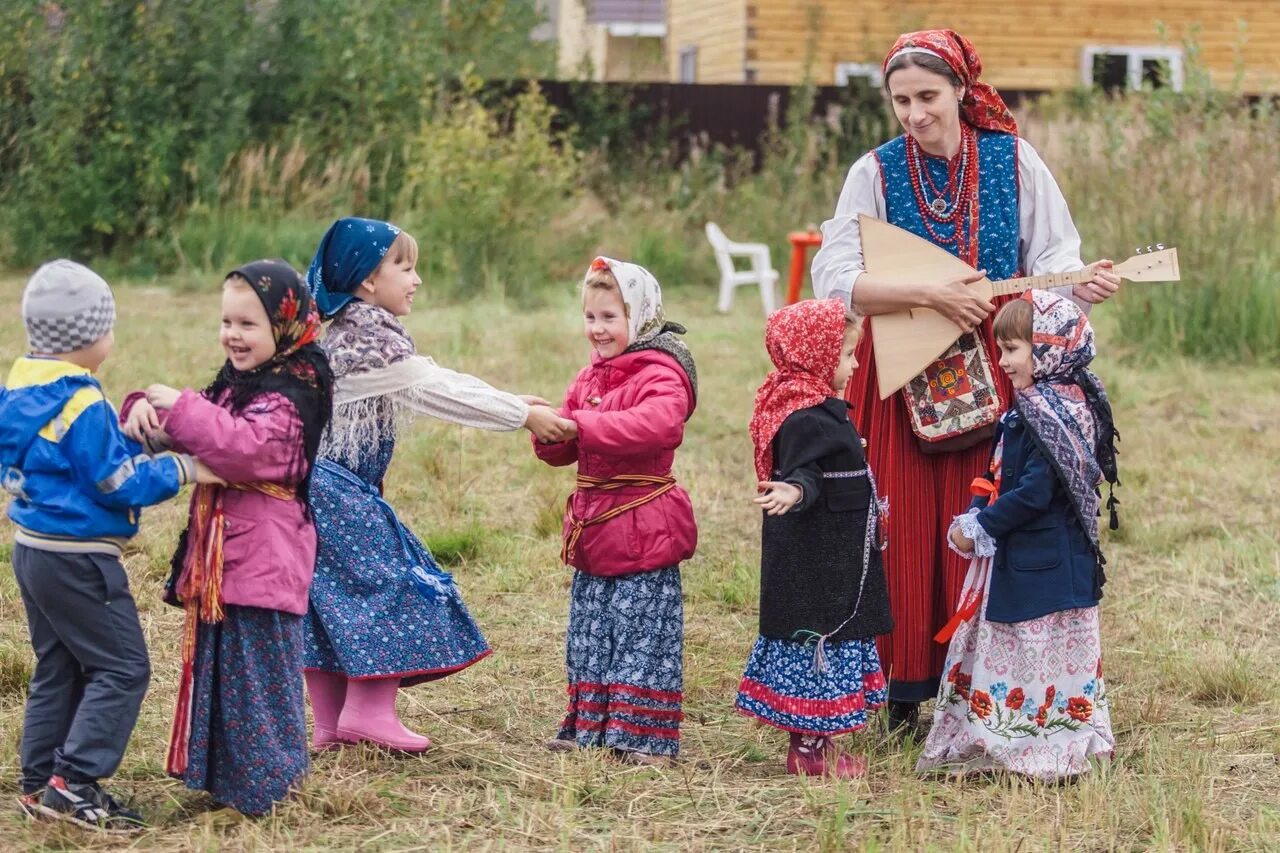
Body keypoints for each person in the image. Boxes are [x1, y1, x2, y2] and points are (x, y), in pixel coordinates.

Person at [810, 28, 1121, 729]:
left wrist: (1079, 287)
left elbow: (1055, 257)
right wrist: (930, 296)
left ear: (960, 90)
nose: (915, 114)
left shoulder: (1014, 161)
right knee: (903, 521)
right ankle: (901, 690)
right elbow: (833, 278)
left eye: (927, 96)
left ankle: (988, 687)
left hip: (1000, 360)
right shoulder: (875, 171)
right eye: (900, 101)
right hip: (904, 366)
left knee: (995, 513)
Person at [301, 217, 571, 752]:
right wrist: (520, 416)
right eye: (405, 266)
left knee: (329, 599)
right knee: (391, 587)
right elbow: (437, 391)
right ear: (367, 281)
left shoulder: (354, 334)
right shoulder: (367, 344)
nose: (416, 278)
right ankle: (368, 714)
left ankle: (331, 724)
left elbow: (437, 374)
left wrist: (515, 399)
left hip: (318, 488)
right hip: (337, 491)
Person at [3, 260, 213, 832]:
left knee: (60, 665)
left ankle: (39, 782)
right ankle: (75, 782)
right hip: (79, 558)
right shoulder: (82, 402)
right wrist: (184, 466)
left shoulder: (23, 390)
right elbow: (117, 483)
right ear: (90, 337)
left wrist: (124, 440)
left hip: (33, 550)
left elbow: (65, 461)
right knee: (122, 667)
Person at [123, 259, 334, 815]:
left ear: (284, 326)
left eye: (248, 325)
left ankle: (270, 791)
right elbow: (196, 432)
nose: (232, 336)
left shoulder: (297, 390)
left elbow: (245, 448)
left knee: (259, 679)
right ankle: (227, 785)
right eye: (227, 323)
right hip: (226, 562)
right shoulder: (240, 385)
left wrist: (182, 407)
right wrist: (141, 407)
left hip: (265, 560)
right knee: (223, 674)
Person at [916, 291, 1119, 779]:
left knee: (1035, 652)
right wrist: (974, 511)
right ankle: (1010, 736)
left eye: (1012, 349)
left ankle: (1040, 745)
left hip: (1044, 563)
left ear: (1048, 348)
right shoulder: (1035, 406)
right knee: (1019, 651)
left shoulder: (1054, 414)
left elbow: (1033, 494)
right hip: (1032, 560)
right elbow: (999, 473)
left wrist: (982, 526)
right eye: (1001, 349)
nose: (1002, 361)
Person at [533, 257, 697, 764]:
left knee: (641, 632)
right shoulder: (588, 378)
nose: (598, 330)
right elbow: (564, 444)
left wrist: (582, 425)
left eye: (610, 318)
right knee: (592, 631)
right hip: (595, 527)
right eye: (591, 318)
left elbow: (657, 425)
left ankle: (643, 738)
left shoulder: (663, 373)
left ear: (640, 316)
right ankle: (591, 726)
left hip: (643, 524)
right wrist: (548, 429)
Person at [737, 299, 893, 778]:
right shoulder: (804, 416)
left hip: (837, 554)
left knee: (825, 645)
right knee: (817, 650)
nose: (855, 364)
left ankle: (816, 745)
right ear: (818, 355)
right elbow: (805, 471)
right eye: (847, 354)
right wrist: (796, 489)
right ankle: (809, 752)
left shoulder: (815, 407)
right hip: (820, 565)